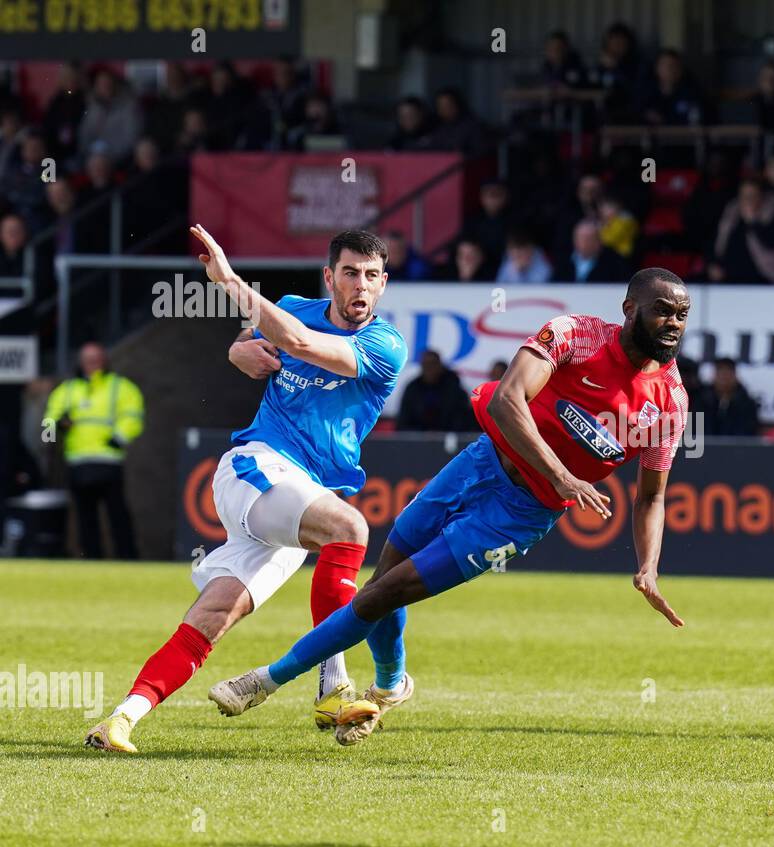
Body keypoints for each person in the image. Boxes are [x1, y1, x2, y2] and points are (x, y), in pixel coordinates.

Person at [208, 270, 692, 745]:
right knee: (381, 581)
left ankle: (265, 680)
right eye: (662, 311)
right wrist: (563, 475)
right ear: (630, 310)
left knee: (383, 593)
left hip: (517, 516)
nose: (673, 322)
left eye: (682, 315)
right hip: (480, 462)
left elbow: (650, 495)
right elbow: (507, 399)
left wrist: (647, 567)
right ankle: (392, 684)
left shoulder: (669, 404)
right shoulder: (577, 334)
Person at [85, 229, 409, 754]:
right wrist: (242, 351)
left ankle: (120, 720)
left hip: (297, 500)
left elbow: (301, 344)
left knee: (215, 614)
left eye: (372, 276)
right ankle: (335, 688)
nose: (361, 286)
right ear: (330, 278)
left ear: (384, 284)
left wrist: (229, 282)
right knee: (349, 528)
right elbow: (249, 341)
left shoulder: (385, 345)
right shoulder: (292, 307)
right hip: (255, 467)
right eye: (350, 273)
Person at [44, 342, 144, 560]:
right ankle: (92, 558)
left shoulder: (120, 387)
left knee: (117, 515)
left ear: (105, 361)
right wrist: (58, 425)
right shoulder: (66, 390)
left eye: (97, 359)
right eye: (88, 360)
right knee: (85, 518)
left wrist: (118, 438)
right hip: (78, 462)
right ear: (80, 362)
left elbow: (134, 415)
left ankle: (128, 558)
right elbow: (47, 425)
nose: (93, 364)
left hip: (108, 461)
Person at [397, 350, 473, 432]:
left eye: (432, 364)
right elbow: (403, 420)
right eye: (425, 365)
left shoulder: (454, 389)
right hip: (418, 440)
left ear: (440, 365)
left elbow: (462, 419)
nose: (429, 369)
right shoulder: (412, 389)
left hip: (448, 437)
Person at [553, 220, 633, 283]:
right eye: (581, 238)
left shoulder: (614, 263)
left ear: (598, 241)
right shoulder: (564, 260)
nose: (584, 243)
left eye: (589, 239)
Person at [698, 358, 759, 436]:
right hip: (705, 447)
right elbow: (695, 433)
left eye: (728, 373)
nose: (724, 377)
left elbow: (747, 433)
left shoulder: (747, 404)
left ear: (735, 376)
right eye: (720, 372)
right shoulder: (701, 401)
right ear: (714, 375)